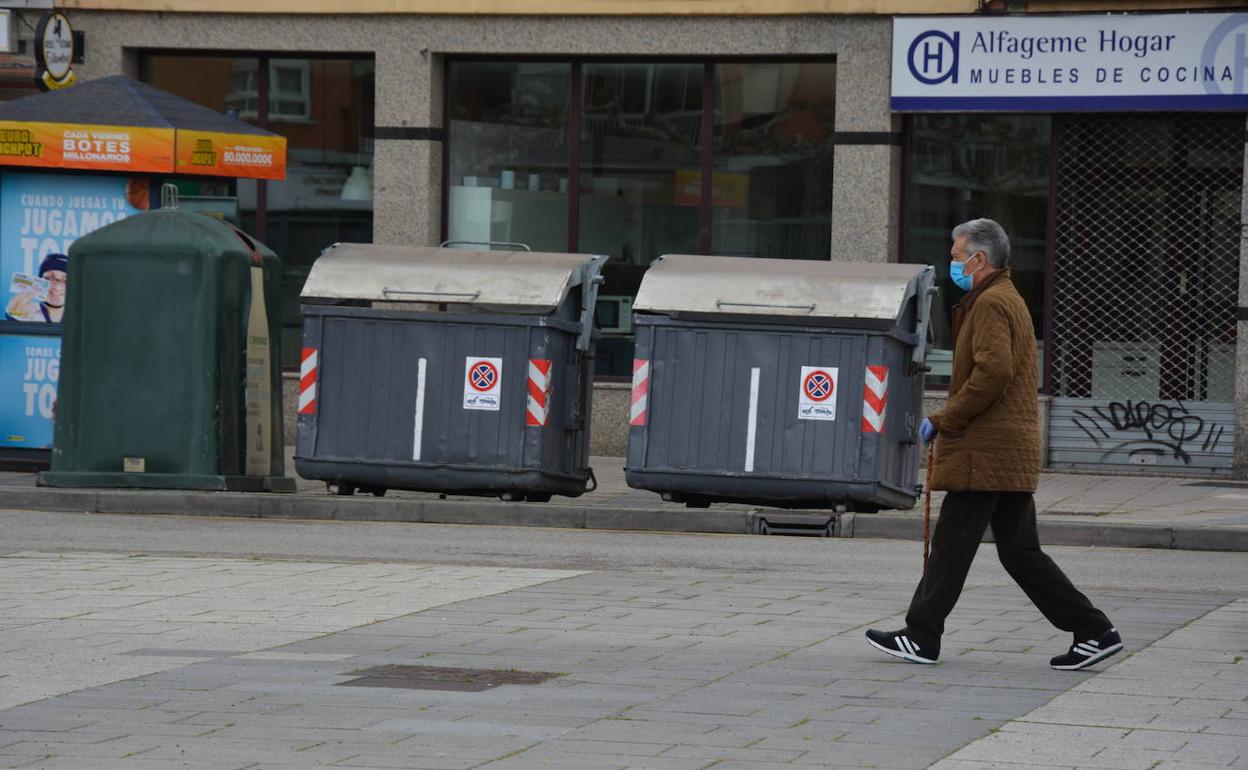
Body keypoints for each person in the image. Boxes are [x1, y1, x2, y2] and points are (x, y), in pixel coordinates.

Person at [865, 218, 1121, 671]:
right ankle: (1094, 631)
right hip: (1007, 450)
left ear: (978, 260)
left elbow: (993, 372)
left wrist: (945, 419)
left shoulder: (989, 304)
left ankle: (922, 636)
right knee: (1020, 552)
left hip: (985, 453)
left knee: (951, 544)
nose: (951, 263)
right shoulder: (1007, 298)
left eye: (955, 253)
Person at [5, 253, 68, 323]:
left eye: (65, 281)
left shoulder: (80, 317)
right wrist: (13, 320)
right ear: (40, 280)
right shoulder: (25, 312)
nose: (57, 287)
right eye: (49, 278)